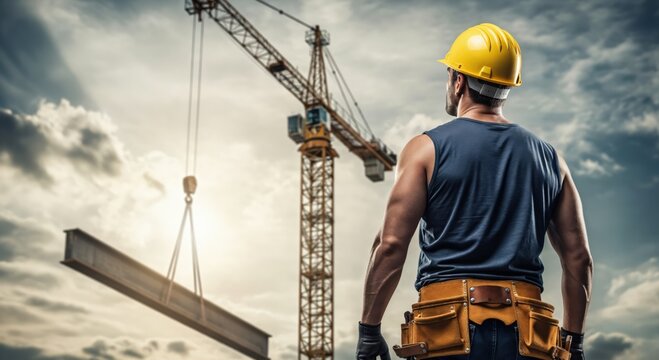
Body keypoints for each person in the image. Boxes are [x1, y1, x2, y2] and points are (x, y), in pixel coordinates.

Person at [355, 23, 593, 360]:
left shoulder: (425, 149)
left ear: (458, 79)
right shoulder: (552, 159)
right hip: (527, 337)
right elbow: (579, 258)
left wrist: (369, 330)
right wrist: (575, 340)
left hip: (446, 332)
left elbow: (390, 245)